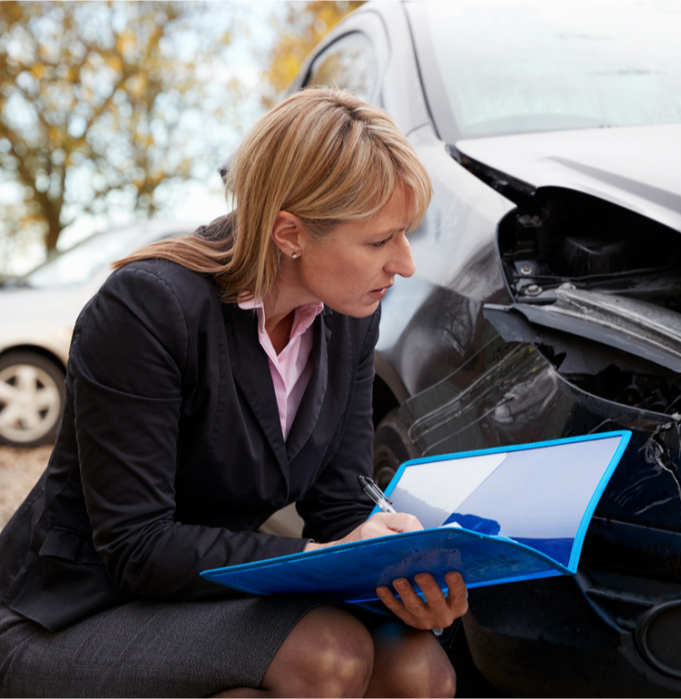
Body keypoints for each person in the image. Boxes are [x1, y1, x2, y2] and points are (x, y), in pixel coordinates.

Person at [0, 88, 467, 698]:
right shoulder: (147, 308)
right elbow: (137, 546)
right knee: (325, 656)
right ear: (290, 232)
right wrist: (316, 553)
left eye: (407, 234)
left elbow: (342, 508)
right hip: (72, 615)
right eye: (379, 242)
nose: (403, 264)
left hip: (211, 602)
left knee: (417, 668)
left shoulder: (347, 317)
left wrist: (399, 571)